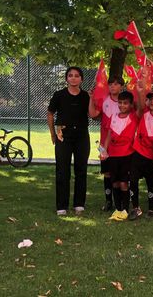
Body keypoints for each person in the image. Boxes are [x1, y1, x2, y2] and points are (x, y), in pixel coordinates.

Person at [47, 67, 91, 216]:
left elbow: (93, 114)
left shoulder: (86, 96)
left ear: (81, 79)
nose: (73, 78)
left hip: (81, 136)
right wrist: (53, 133)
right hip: (63, 136)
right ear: (66, 78)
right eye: (70, 75)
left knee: (81, 169)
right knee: (62, 170)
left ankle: (79, 203)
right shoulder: (59, 95)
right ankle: (61, 206)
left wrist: (94, 98)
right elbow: (50, 113)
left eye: (77, 76)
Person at [128, 76, 153, 220]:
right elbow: (142, 104)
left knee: (151, 183)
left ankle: (151, 208)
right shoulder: (144, 113)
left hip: (152, 157)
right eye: (151, 99)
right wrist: (141, 91)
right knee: (133, 180)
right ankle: (135, 207)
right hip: (138, 153)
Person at [89, 76, 124, 212]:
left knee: (121, 174)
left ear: (121, 86)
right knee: (107, 173)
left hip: (121, 145)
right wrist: (91, 99)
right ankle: (109, 201)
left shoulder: (125, 102)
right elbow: (93, 114)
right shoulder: (104, 100)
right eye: (110, 84)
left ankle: (121, 201)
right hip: (105, 144)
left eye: (116, 84)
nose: (113, 86)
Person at [102, 91, 138, 221]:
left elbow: (140, 105)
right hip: (113, 155)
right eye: (120, 103)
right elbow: (109, 135)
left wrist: (140, 88)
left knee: (124, 183)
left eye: (125, 103)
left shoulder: (134, 117)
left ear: (130, 104)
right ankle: (117, 208)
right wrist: (104, 150)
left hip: (127, 155)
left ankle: (125, 209)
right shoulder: (114, 116)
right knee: (115, 182)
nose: (122, 105)